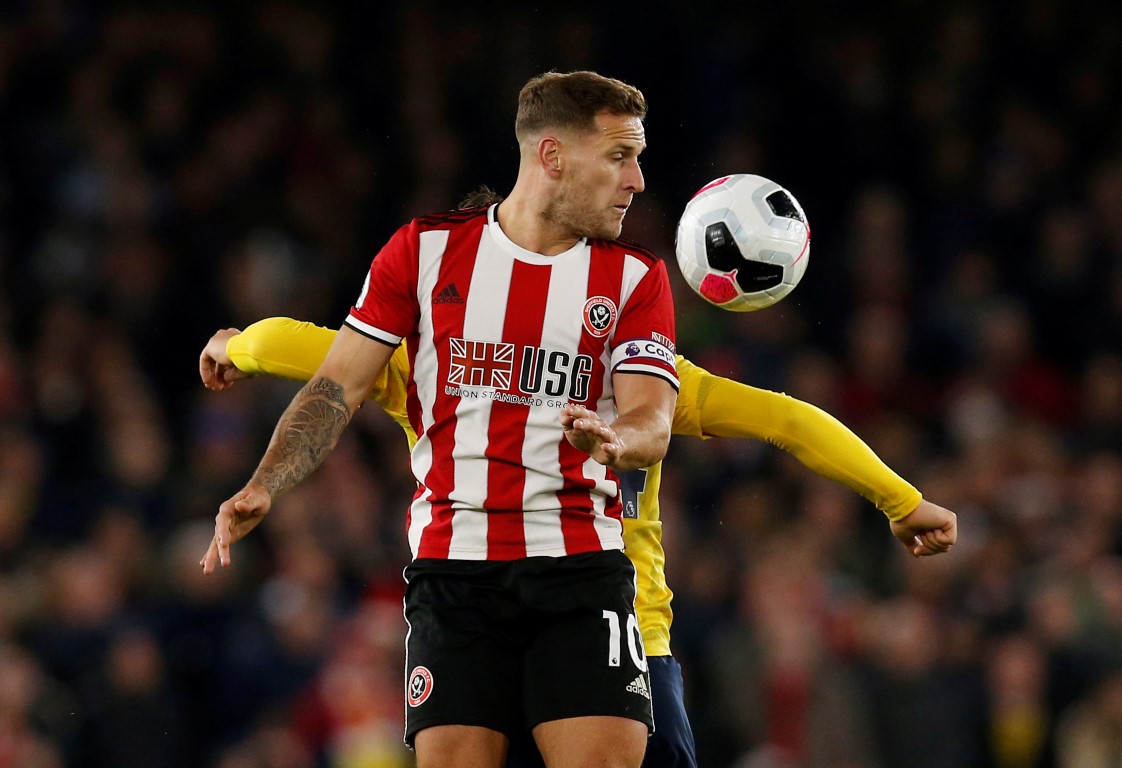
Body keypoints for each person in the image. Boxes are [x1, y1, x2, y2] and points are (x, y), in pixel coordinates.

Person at [198, 315, 957, 768]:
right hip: (626, 649)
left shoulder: (437, 359)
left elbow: (308, 347)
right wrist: (902, 501)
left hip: (500, 641)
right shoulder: (640, 373)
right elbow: (786, 420)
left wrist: (240, 346)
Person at [201, 71, 682, 768]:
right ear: (552, 158)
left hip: (581, 569)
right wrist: (265, 484)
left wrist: (617, 439)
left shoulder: (638, 280)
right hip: (456, 575)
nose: (636, 179)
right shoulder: (423, 253)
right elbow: (338, 384)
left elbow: (652, 418)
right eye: (618, 157)